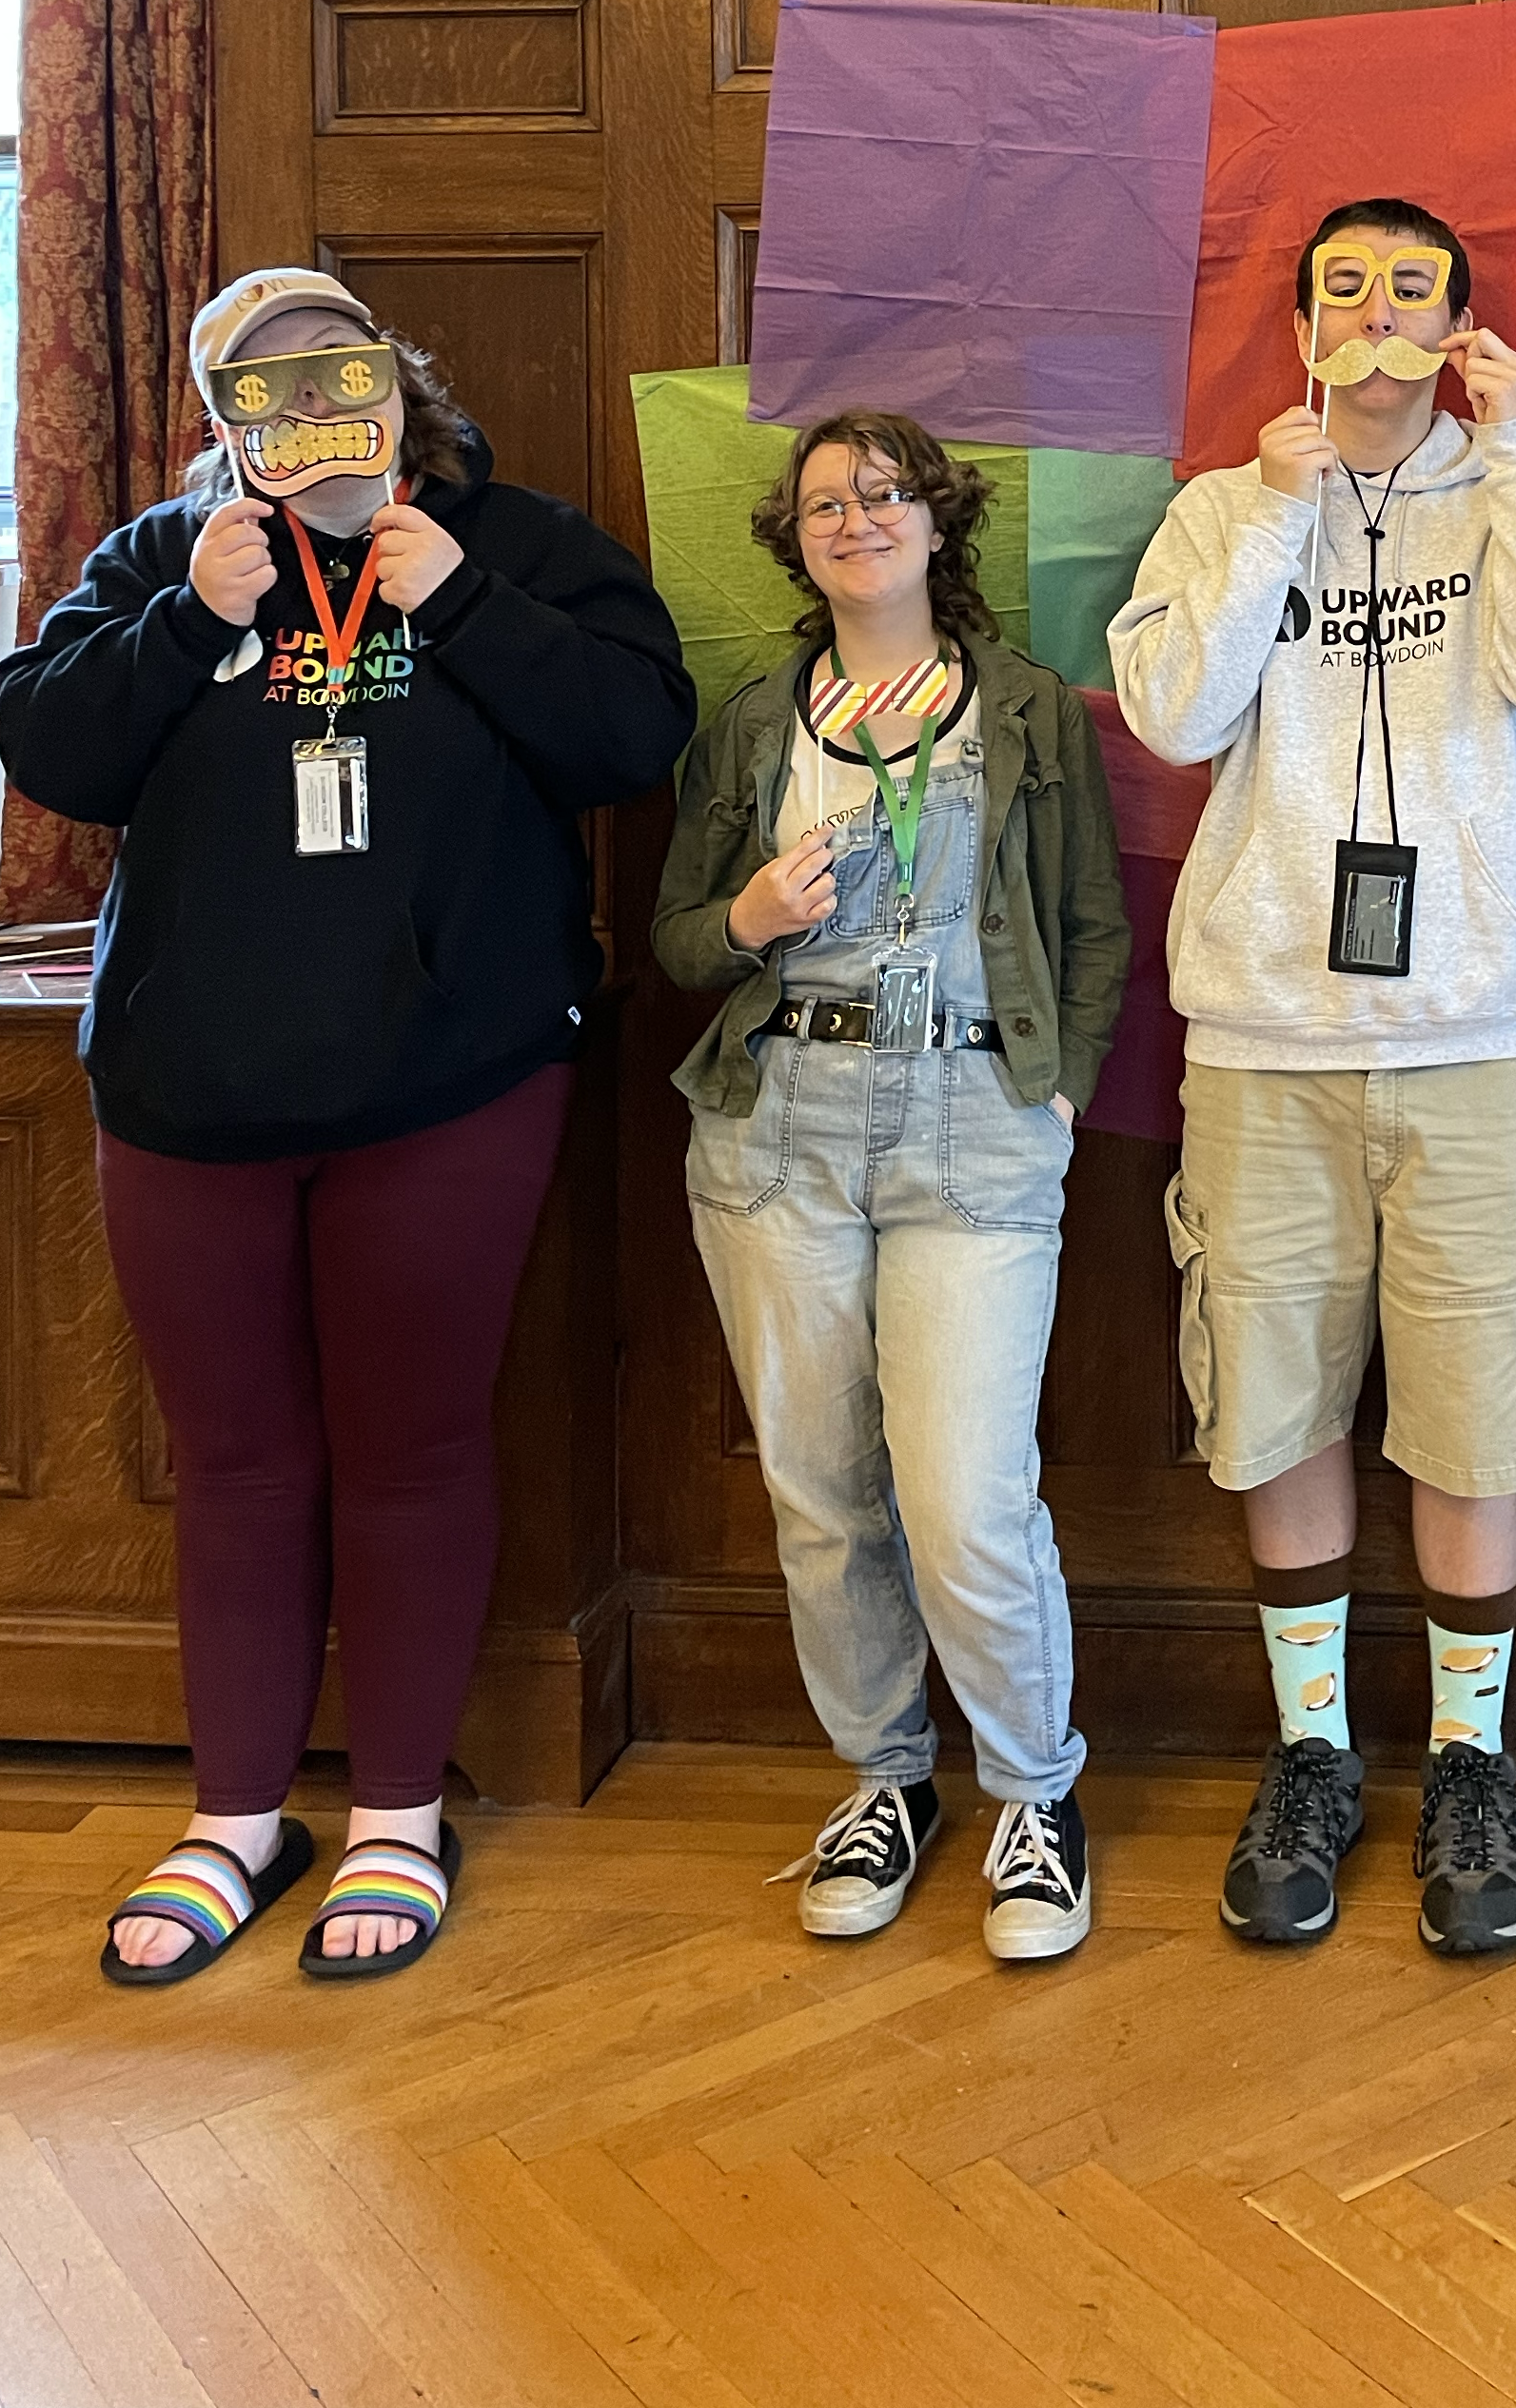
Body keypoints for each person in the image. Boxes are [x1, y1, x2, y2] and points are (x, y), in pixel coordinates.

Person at [0, 269, 694, 1987]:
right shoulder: (166, 556)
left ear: (394, 381)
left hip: (447, 1083)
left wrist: (455, 602)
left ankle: (394, 1807)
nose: (301, 404)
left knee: (418, 1446)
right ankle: (237, 1813)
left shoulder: (510, 539)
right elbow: (47, 747)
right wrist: (185, 619)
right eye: (257, 380)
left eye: (330, 367)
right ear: (220, 416)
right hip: (189, 1089)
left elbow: (633, 730)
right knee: (234, 1460)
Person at [1109, 199, 1516, 1955]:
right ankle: (1314, 1749)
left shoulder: (1509, 490)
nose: (1380, 314)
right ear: (1306, 326)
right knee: (1276, 1398)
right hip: (1265, 1039)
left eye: (1415, 289)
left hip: (1479, 1035)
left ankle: (1472, 1762)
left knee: (1481, 1406)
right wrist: (1276, 507)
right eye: (1346, 288)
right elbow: (1176, 715)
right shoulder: (1222, 507)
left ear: (1461, 320)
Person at [654, 411, 1128, 1963]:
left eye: (885, 495)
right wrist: (748, 911)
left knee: (965, 1496)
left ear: (938, 522)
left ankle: (1034, 1794)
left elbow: (1095, 926)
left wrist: (1059, 1087)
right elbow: (672, 944)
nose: (856, 520)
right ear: (795, 542)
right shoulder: (750, 725)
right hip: (779, 1121)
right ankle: (885, 1779)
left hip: (974, 1122)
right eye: (824, 505)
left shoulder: (1029, 712)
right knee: (819, 1488)